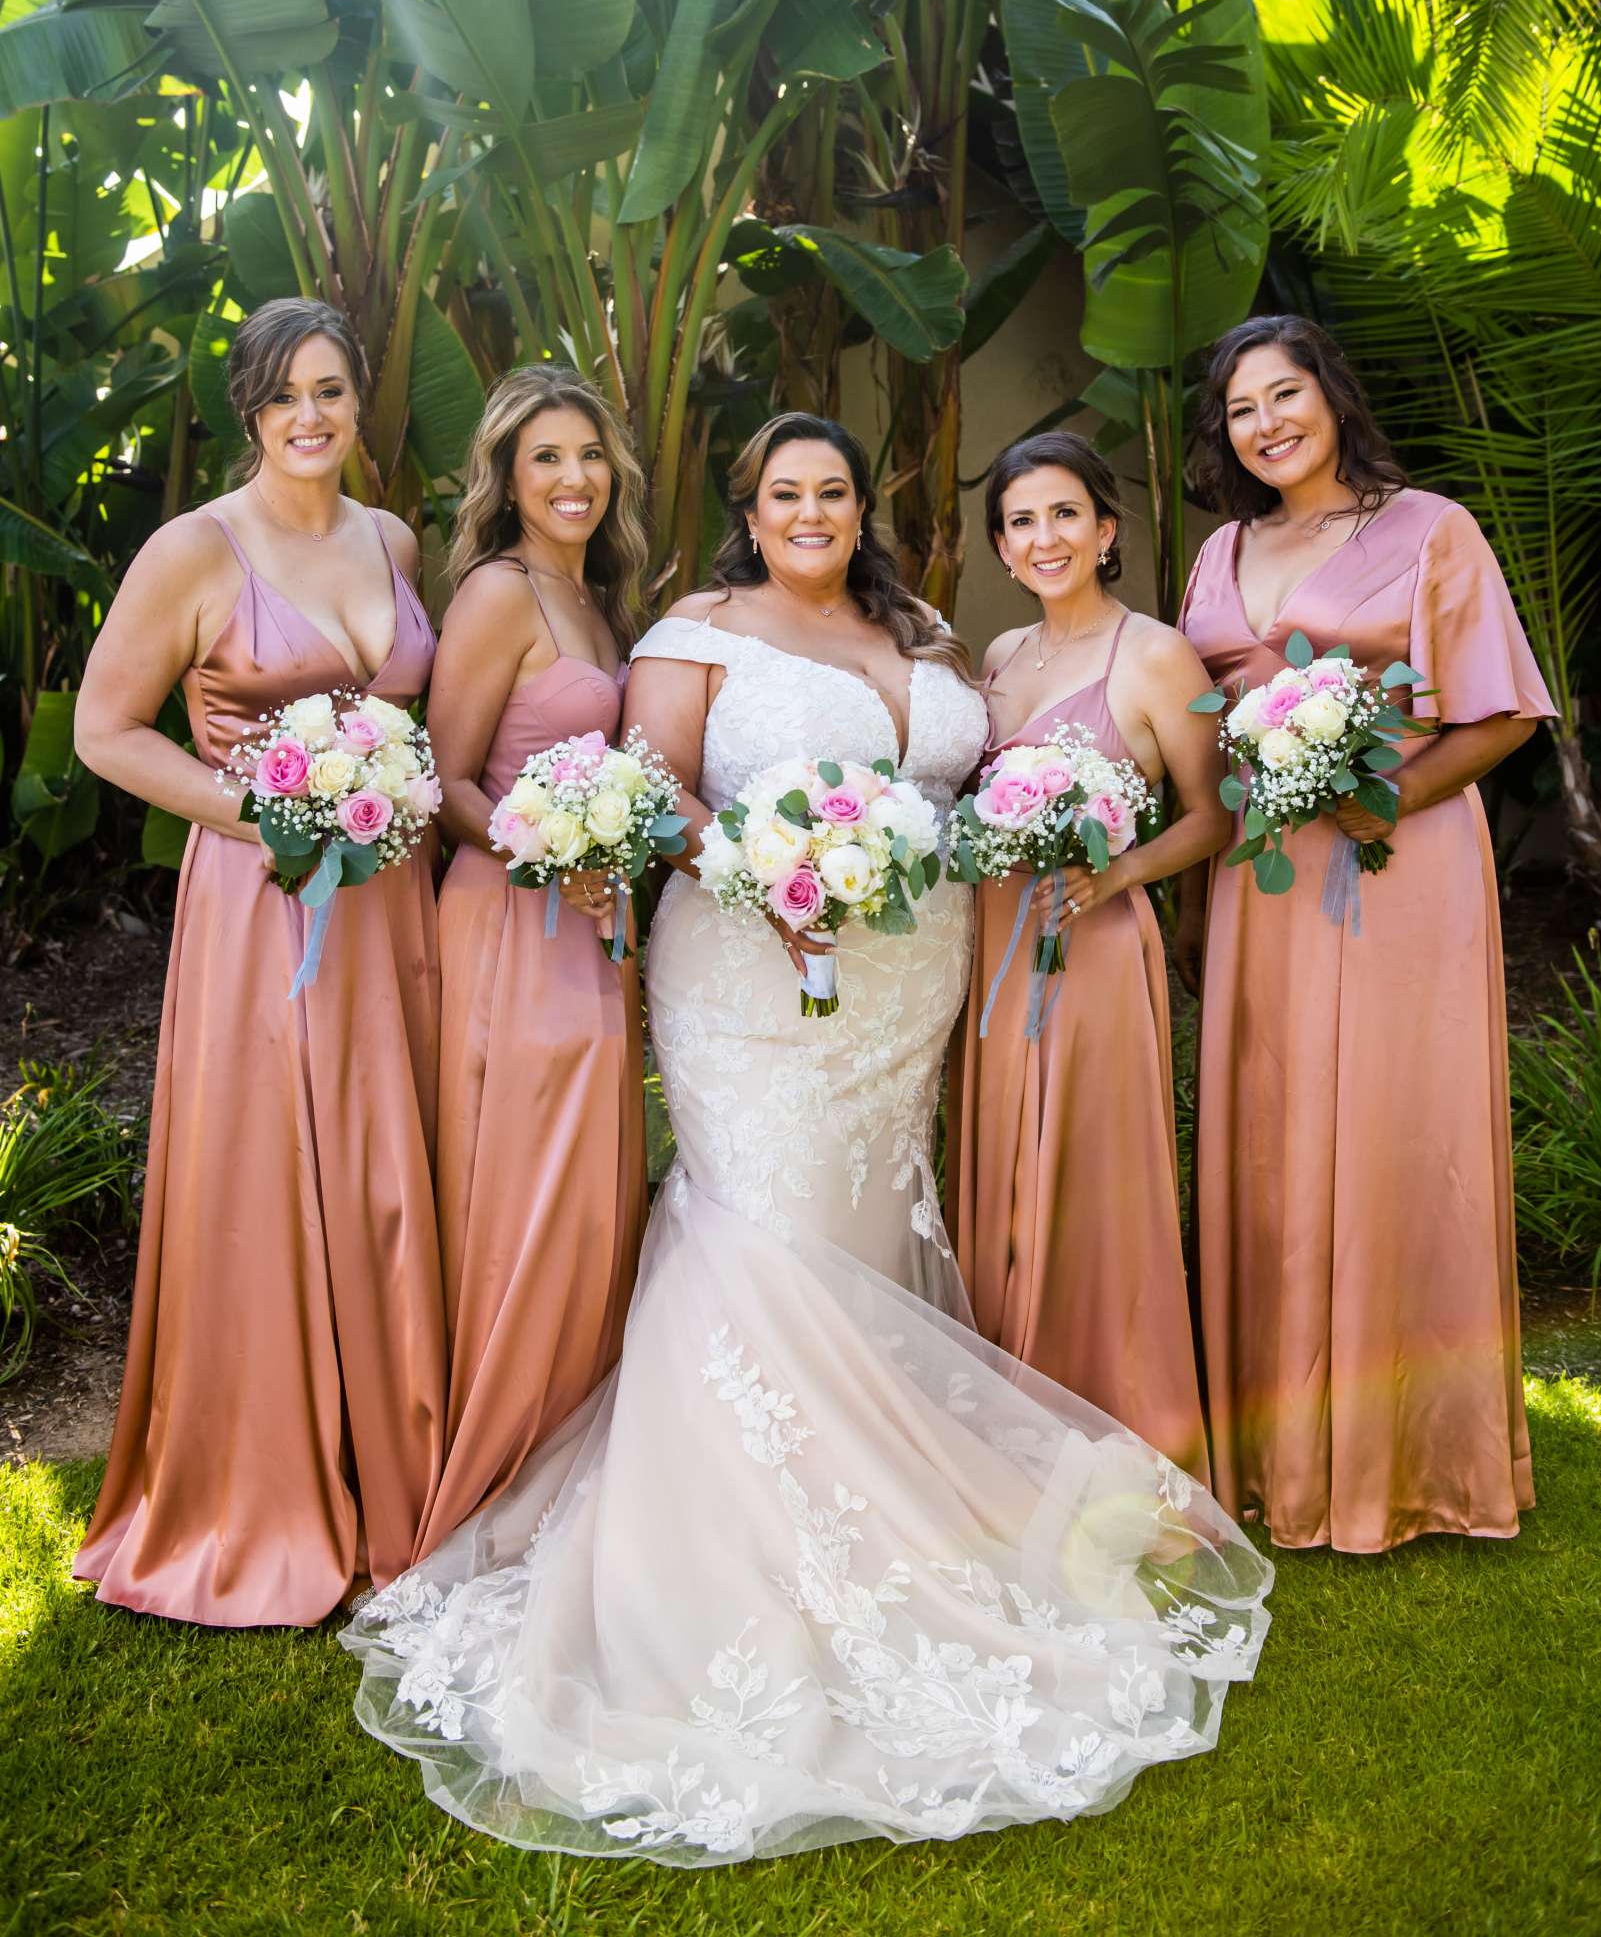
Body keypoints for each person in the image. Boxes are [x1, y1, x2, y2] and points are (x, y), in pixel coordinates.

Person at [343, 412, 1271, 1865]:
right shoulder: (695, 630)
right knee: (756, 1235)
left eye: (834, 489)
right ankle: (731, 1561)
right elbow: (655, 800)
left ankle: (896, 1500)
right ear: (748, 508)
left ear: (864, 505)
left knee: (859, 1240)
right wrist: (767, 873)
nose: (812, 511)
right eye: (785, 492)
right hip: (748, 973)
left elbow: (966, 790)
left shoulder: (928, 636)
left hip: (906, 989)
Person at [72, 298, 444, 1624]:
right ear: (251, 408)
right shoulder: (196, 549)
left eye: (333, 392)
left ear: (357, 403)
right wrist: (262, 813)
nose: (311, 418)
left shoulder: (390, 538)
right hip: (262, 899)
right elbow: (105, 731)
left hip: (387, 899)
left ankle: (389, 1467)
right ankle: (261, 1485)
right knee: (272, 1164)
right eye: (287, 395)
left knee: (385, 1162)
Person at [1179, 314, 1552, 1552]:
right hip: (1260, 881)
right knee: (1273, 1132)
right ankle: (1280, 1454)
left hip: (1399, 863)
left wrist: (1370, 790)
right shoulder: (1218, 551)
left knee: (1398, 1126)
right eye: (1241, 409)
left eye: (1286, 395)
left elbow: (1499, 717)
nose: (1267, 423)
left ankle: (1418, 1458)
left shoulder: (1428, 529)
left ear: (1331, 397)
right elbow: (1196, 723)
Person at [949, 435, 1226, 1476]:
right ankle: (1011, 1425)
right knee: (1003, 1170)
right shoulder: (997, 659)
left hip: (1095, 949)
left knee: (1091, 1176)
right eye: (1020, 521)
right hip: (996, 951)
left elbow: (1211, 815)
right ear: (1002, 549)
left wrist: (1115, 874)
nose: (1043, 536)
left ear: (1104, 531)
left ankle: (1122, 1428)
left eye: (1063, 514)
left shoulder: (1152, 654)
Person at [413, 366, 649, 1557]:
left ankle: (572, 1434)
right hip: (508, 919)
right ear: (505, 477)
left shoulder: (596, 600)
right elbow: (445, 777)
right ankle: (502, 1454)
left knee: (591, 1189)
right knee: (525, 1183)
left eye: (591, 455)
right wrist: (541, 859)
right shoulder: (500, 595)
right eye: (547, 458)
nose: (574, 478)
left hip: (589, 925)